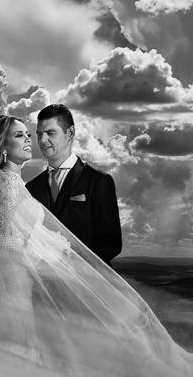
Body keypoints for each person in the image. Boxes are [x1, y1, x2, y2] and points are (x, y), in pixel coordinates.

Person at [26, 104, 122, 266]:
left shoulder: (98, 181)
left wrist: (74, 269)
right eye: (39, 134)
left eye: (50, 133)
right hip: (42, 286)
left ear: (70, 133)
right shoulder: (31, 188)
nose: (42, 140)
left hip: (89, 285)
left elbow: (111, 242)